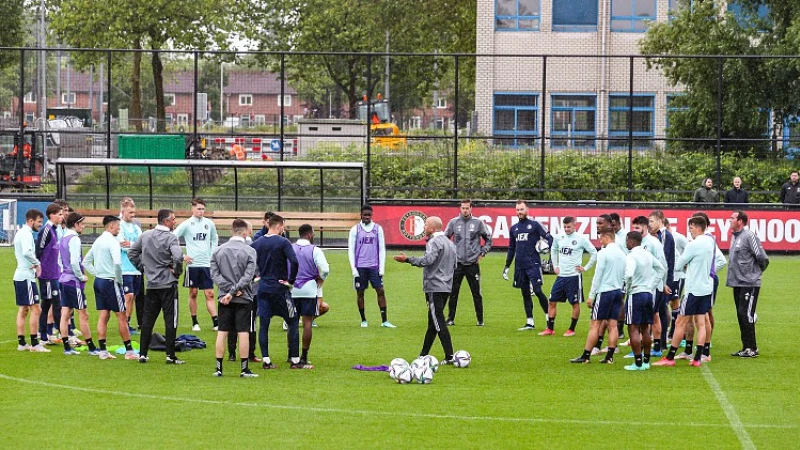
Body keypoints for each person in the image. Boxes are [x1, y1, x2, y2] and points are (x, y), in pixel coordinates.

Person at [653, 216, 715, 368]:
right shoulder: (710, 241)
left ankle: (670, 357)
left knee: (680, 322)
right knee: (701, 323)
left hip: (693, 289)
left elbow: (679, 264)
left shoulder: (693, 244)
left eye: (691, 227)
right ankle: (698, 358)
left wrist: (687, 265)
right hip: (706, 287)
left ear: (698, 227)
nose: (690, 231)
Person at [394, 216, 457, 364]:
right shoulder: (450, 243)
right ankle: (422, 355)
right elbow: (455, 265)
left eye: (426, 225)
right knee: (432, 322)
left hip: (434, 287)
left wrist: (408, 260)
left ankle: (450, 356)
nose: (424, 228)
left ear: (433, 229)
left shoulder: (433, 242)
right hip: (446, 287)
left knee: (438, 321)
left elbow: (427, 261)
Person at [129, 209, 185, 365]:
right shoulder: (171, 238)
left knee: (147, 320)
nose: (175, 222)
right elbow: (179, 256)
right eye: (173, 219)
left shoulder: (146, 235)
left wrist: (143, 268)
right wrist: (177, 272)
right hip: (168, 284)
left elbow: (132, 252)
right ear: (166, 221)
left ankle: (143, 354)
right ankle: (170, 356)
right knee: (170, 320)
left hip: (152, 284)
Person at [251, 214, 307, 369]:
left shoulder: (257, 243)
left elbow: (248, 260)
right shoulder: (283, 242)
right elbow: (294, 261)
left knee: (264, 325)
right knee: (293, 320)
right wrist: (290, 281)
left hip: (263, 288)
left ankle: (266, 360)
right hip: (280, 289)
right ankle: (295, 361)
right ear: (280, 225)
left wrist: (255, 276)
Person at [210, 219, 259, 378]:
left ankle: (219, 368)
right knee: (243, 331)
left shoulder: (218, 251)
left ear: (232, 231)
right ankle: (244, 369)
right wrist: (235, 290)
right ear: (245, 233)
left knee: (222, 331)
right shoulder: (250, 251)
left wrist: (228, 290)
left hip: (224, 298)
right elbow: (248, 276)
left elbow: (215, 275)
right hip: (243, 297)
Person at [570, 227, 626, 364]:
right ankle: (610, 356)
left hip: (605, 292)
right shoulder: (622, 254)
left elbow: (598, 275)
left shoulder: (603, 253)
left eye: (601, 238)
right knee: (613, 324)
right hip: (618, 291)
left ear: (607, 237)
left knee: (595, 324)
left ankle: (586, 355)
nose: (600, 241)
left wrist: (591, 295)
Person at [84, 215, 136, 360]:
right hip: (111, 282)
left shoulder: (98, 241)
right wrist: (119, 281)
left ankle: (103, 351)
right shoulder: (113, 242)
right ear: (111, 226)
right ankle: (130, 351)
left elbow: (86, 261)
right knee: (122, 316)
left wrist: (97, 274)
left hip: (99, 282)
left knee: (103, 316)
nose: (119, 229)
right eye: (118, 226)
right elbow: (118, 264)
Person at [540, 216, 597, 337]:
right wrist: (555, 266)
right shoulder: (559, 238)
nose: (566, 229)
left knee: (574, 304)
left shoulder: (581, 239)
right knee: (552, 301)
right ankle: (550, 328)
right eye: (565, 227)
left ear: (574, 225)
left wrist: (585, 268)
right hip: (561, 276)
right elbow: (554, 250)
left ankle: (571, 329)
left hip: (574, 276)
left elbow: (594, 252)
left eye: (569, 227)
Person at [503, 200, 552, 331]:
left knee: (537, 291)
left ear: (527, 209)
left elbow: (549, 238)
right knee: (525, 293)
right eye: (518, 210)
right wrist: (507, 266)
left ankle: (549, 319)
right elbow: (511, 248)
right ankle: (530, 322)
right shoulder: (514, 228)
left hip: (533, 264)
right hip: (520, 266)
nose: (519, 212)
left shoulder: (535, 225)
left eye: (522, 209)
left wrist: (549, 253)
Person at [727, 211, 769, 358]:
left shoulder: (749, 235)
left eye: (732, 218)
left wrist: (755, 274)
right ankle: (746, 347)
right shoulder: (735, 237)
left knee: (746, 314)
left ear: (740, 221)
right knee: (741, 314)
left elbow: (762, 257)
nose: (730, 219)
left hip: (749, 283)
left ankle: (752, 348)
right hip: (737, 282)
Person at [444, 199, 492, 326]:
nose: (465, 210)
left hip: (472, 264)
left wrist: (482, 252)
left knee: (476, 293)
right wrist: (450, 253)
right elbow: (445, 239)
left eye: (467, 208)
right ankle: (450, 318)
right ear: (460, 209)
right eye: (463, 208)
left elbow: (488, 239)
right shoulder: (454, 222)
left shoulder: (478, 223)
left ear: (471, 209)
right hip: (457, 264)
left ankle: (480, 320)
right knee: (453, 292)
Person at [173, 198, 219, 331]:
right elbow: (172, 238)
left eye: (203, 209)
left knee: (209, 293)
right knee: (193, 293)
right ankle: (195, 322)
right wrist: (182, 256)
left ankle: (216, 322)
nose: (201, 211)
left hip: (206, 264)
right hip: (192, 265)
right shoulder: (187, 224)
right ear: (192, 209)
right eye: (199, 209)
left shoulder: (209, 223)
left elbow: (215, 238)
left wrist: (213, 254)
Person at [622, 231, 665, 371]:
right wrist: (651, 285)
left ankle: (638, 362)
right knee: (645, 328)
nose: (626, 243)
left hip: (636, 293)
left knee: (633, 327)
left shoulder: (631, 256)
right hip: (648, 294)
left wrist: (628, 289)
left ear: (632, 242)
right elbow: (661, 269)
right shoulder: (647, 254)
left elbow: (628, 274)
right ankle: (646, 361)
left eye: (627, 240)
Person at [57, 213, 99, 356]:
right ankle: (92, 347)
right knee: (83, 314)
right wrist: (80, 276)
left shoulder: (63, 237)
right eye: (82, 223)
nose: (83, 226)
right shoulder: (74, 239)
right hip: (73, 282)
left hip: (63, 279)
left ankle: (67, 348)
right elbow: (75, 262)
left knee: (66, 313)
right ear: (75, 224)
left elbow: (59, 260)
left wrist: (64, 272)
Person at [348, 204, 394, 328]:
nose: (367, 217)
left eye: (369, 215)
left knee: (380, 291)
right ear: (361, 215)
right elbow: (351, 250)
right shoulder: (355, 229)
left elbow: (382, 249)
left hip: (374, 266)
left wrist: (382, 268)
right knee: (360, 293)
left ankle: (384, 321)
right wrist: (354, 269)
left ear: (372, 215)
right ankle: (363, 320)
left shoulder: (378, 229)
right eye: (365, 215)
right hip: (360, 267)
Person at [291, 224, 330, 367]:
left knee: (292, 323)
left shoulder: (290, 247)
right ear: (309, 235)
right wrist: (321, 277)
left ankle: (292, 356)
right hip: (309, 289)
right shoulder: (315, 250)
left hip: (292, 289)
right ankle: (303, 357)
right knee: (307, 323)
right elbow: (325, 269)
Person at [14, 209, 49, 353]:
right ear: (31, 221)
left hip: (20, 275)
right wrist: (37, 263)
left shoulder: (20, 233)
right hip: (26, 276)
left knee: (24, 309)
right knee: (36, 309)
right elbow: (27, 252)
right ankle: (35, 344)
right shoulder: (26, 234)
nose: (40, 225)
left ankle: (22, 343)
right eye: (39, 222)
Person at [35, 203, 64, 345]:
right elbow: (38, 251)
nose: (62, 216)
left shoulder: (54, 230)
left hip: (54, 273)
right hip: (47, 275)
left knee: (47, 304)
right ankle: (63, 334)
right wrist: (39, 269)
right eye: (59, 214)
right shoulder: (46, 230)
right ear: (51, 215)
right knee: (55, 304)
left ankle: (45, 335)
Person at [647, 211, 675, 356]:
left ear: (660, 221)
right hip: (662, 279)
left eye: (652, 221)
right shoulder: (659, 236)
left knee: (660, 310)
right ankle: (660, 341)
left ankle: (661, 341)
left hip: (663, 279)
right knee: (661, 310)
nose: (649, 224)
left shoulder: (664, 236)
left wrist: (666, 282)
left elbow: (663, 261)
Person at [118, 197, 143, 335]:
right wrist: (135, 247)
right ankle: (124, 323)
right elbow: (123, 245)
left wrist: (132, 246)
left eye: (134, 213)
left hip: (136, 269)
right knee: (128, 295)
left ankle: (127, 322)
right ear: (122, 212)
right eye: (130, 213)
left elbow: (142, 244)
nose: (132, 215)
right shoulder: (119, 226)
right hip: (125, 268)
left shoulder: (135, 227)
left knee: (132, 297)